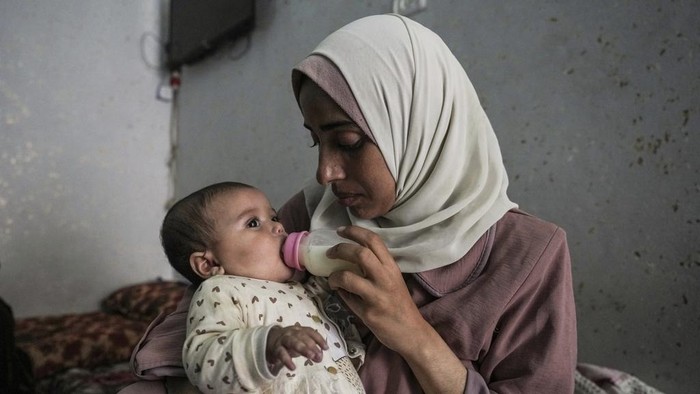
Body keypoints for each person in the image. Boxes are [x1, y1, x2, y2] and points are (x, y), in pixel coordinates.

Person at [125, 14, 576, 393]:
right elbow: (196, 329)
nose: (326, 173)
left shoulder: (528, 255)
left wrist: (414, 336)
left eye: (349, 141)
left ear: (418, 129)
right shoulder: (313, 211)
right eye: (316, 141)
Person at [161, 181, 365, 393]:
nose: (279, 227)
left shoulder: (300, 288)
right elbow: (204, 360)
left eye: (274, 217)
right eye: (253, 223)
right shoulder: (221, 290)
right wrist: (267, 344)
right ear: (209, 264)